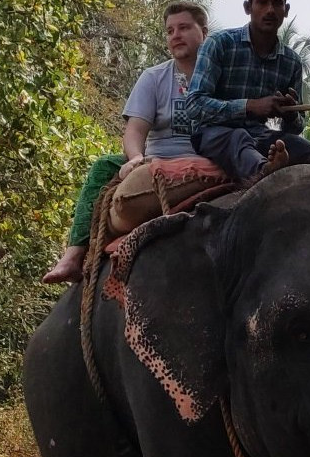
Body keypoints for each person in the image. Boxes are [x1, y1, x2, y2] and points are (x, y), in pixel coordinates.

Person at [43, 2, 210, 284]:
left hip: (209, 158)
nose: (175, 36)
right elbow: (134, 131)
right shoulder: (154, 78)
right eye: (169, 31)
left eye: (183, 28)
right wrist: (134, 158)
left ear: (203, 32)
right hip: (156, 160)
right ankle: (73, 256)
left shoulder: (223, 77)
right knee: (101, 168)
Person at [185, 0, 310, 181]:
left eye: (277, 4)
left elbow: (296, 127)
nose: (270, 10)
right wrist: (249, 106)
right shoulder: (219, 43)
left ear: (286, 10)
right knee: (238, 137)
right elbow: (194, 105)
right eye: (262, 3)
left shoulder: (292, 62)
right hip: (214, 136)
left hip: (261, 136)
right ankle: (265, 171)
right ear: (248, 7)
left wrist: (290, 114)